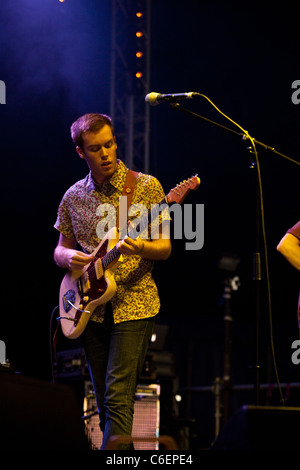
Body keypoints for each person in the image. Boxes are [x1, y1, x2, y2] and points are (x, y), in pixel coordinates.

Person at [53, 113, 172, 449]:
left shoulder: (147, 186)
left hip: (135, 303)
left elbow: (164, 247)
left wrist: (140, 245)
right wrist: (69, 258)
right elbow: (60, 250)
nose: (105, 153)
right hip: (90, 305)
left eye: (109, 144)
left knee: (118, 396)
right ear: (80, 152)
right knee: (106, 402)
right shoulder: (73, 196)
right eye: (95, 148)